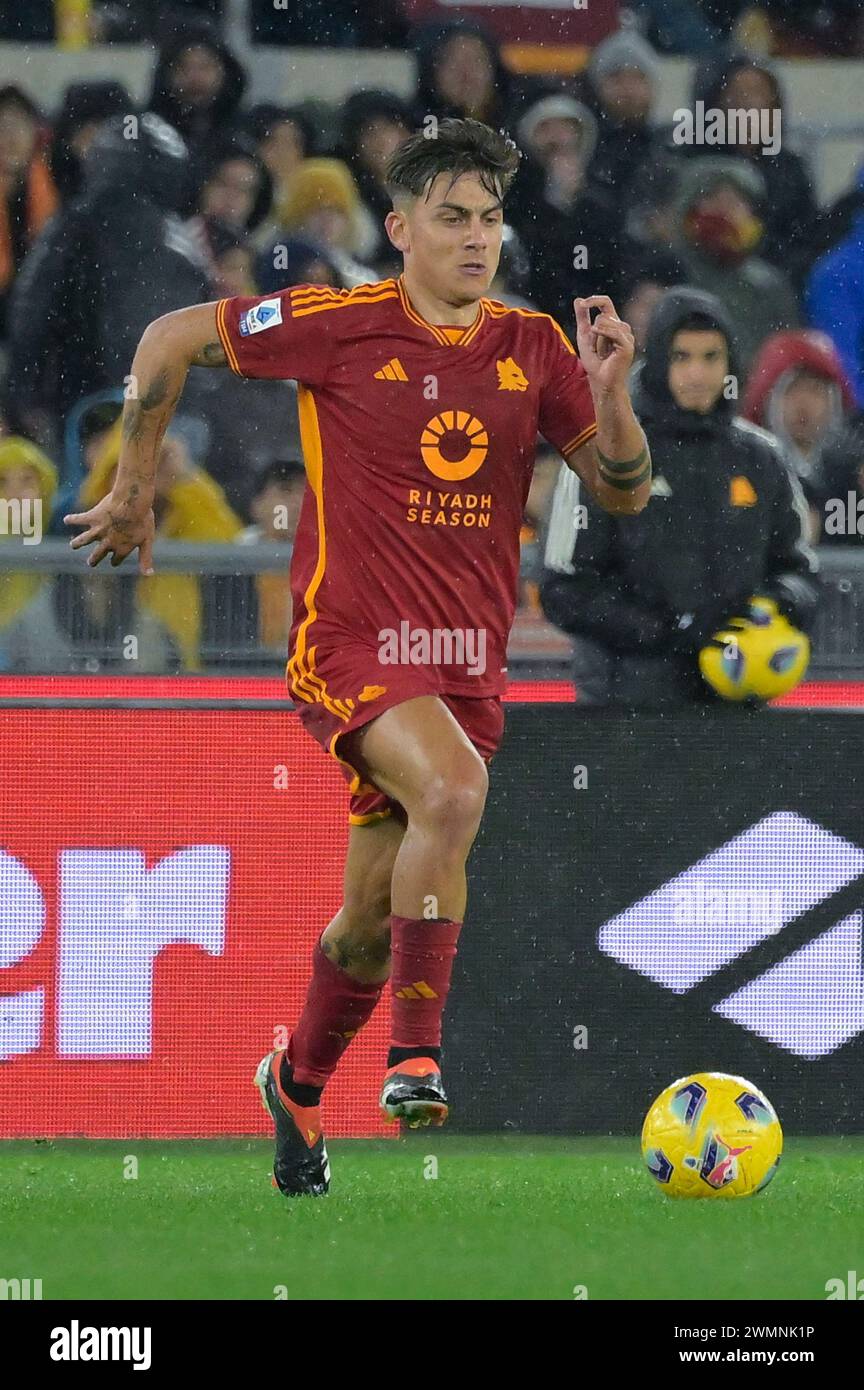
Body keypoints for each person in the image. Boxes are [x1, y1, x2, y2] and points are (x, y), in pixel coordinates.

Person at [64, 116, 651, 1196]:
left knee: (375, 921)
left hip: (465, 664)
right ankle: (416, 1058)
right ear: (400, 228)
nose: (477, 239)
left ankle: (293, 1084)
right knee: (456, 792)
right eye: (451, 219)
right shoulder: (340, 324)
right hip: (346, 644)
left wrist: (612, 396)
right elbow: (169, 337)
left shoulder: (535, 350)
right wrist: (136, 479)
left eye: (489, 219)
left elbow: (624, 491)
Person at [540, 287, 819, 708]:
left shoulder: (763, 458)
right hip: (624, 710)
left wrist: (775, 604)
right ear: (656, 364)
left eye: (711, 357)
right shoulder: (606, 452)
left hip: (738, 710)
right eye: (681, 356)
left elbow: (802, 573)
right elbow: (564, 588)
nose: (698, 374)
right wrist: (667, 631)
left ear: (730, 365)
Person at [742, 329, 864, 540]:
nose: (804, 402)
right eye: (792, 389)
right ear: (768, 399)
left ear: (834, 402)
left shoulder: (852, 476)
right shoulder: (746, 467)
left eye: (816, 390)